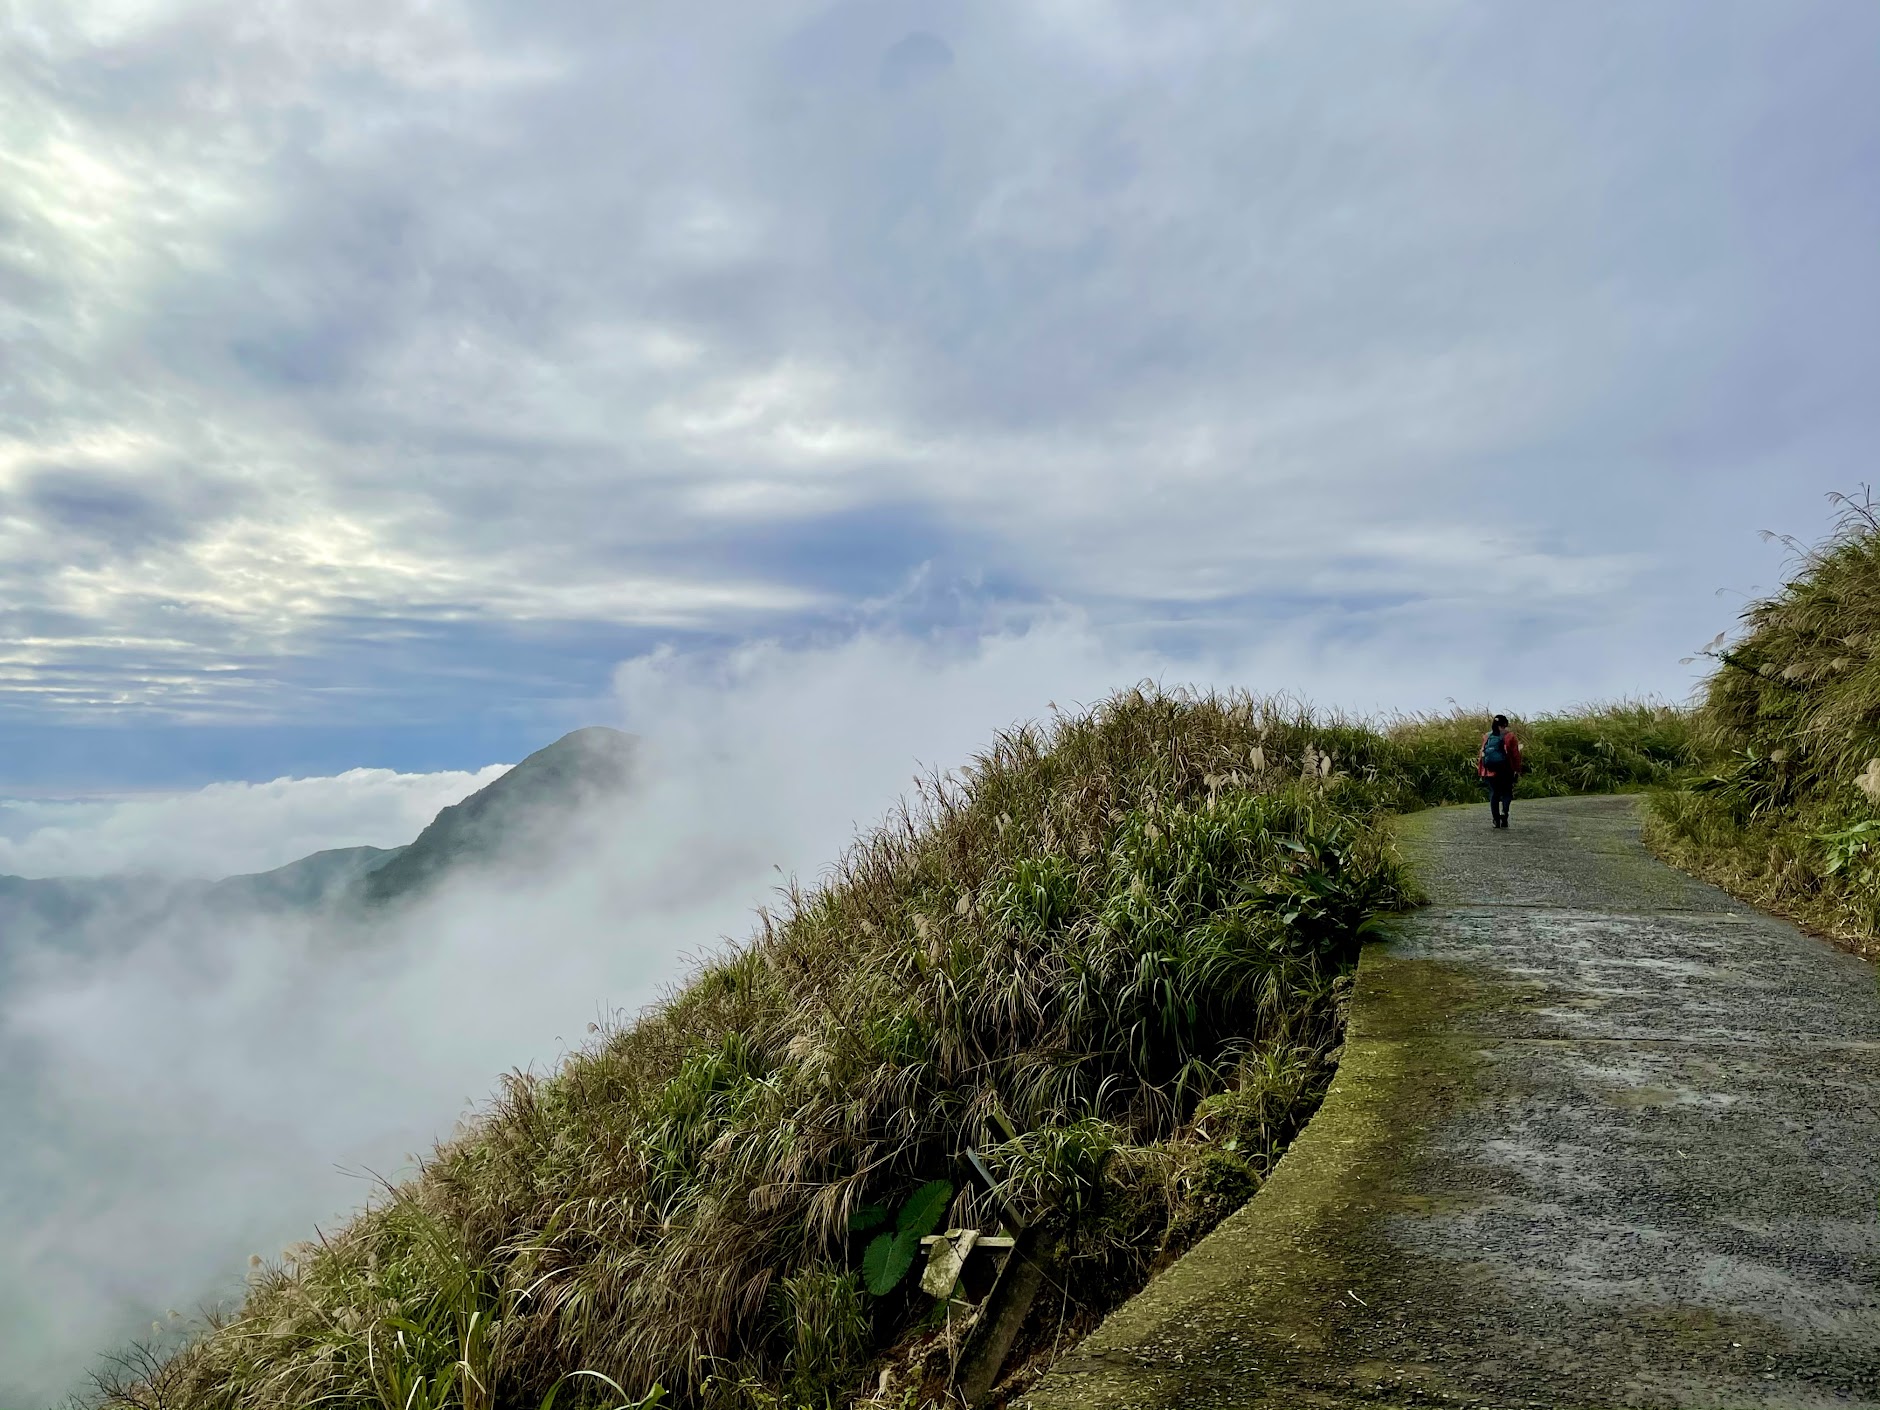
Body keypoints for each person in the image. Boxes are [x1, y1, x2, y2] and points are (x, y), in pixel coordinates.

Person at [1478, 714, 1523, 828]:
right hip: (1506, 770)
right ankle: (1504, 813)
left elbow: (1482, 754)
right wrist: (1517, 769)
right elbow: (1515, 755)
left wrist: (1482, 771)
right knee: (1507, 792)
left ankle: (1496, 820)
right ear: (1505, 724)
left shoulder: (1487, 736)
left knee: (1494, 794)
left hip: (1490, 770)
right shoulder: (1510, 736)